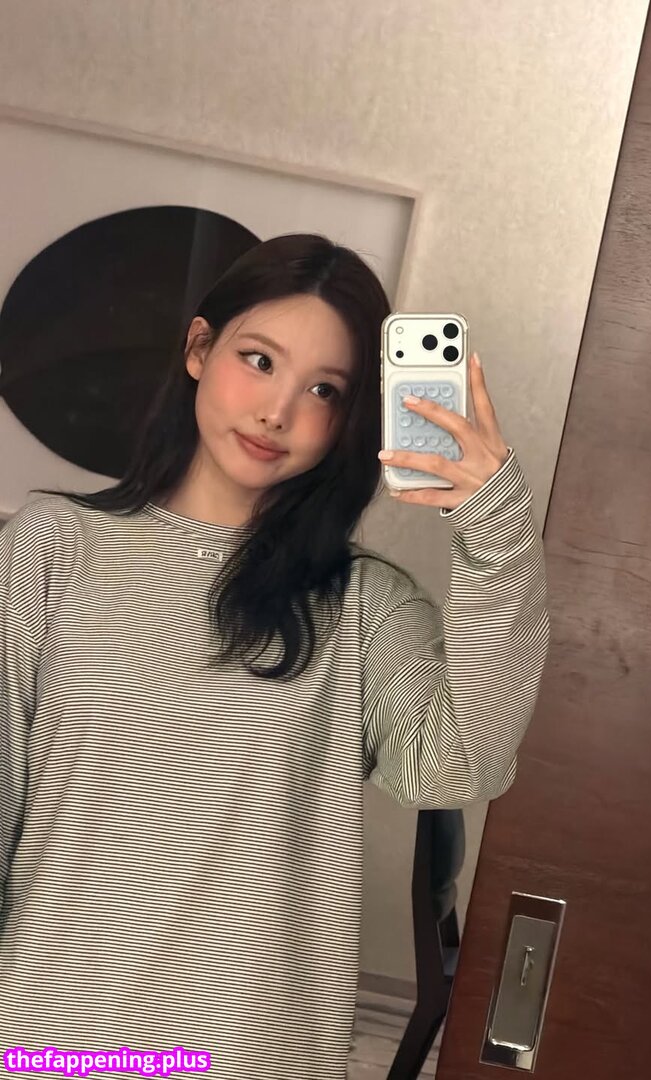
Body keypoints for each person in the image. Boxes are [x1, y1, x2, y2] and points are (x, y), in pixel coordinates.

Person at [0, 234, 550, 1079]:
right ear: (198, 348)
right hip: (47, 1041)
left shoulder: (365, 604)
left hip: (253, 1049)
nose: (277, 411)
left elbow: (453, 769)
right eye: (258, 361)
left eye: (323, 389)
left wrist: (498, 538)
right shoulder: (52, 548)